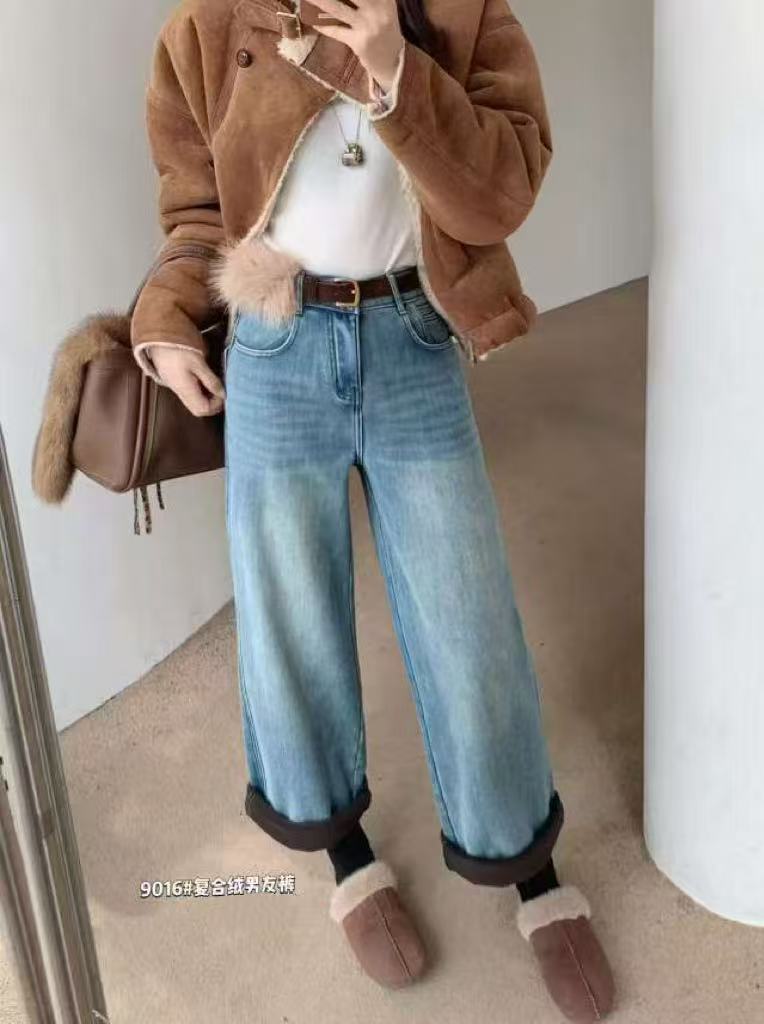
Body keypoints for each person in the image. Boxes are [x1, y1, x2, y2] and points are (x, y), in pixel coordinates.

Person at [131, 1, 615, 1019]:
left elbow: (503, 193)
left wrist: (396, 72)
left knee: (468, 618)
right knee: (289, 618)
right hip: (274, 345)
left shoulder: (461, 12)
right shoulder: (208, 24)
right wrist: (169, 321)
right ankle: (343, 853)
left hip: (413, 336)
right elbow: (194, 213)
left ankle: (525, 863)